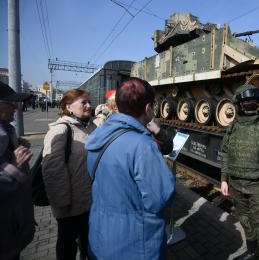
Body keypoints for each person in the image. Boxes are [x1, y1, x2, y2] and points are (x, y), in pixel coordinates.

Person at [85, 78, 175, 260]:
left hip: (101, 234)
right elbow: (160, 198)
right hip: (135, 242)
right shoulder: (143, 145)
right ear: (148, 107)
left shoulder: (99, 135)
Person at [221, 84, 259, 260]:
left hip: (258, 185)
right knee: (245, 221)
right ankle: (252, 254)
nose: (251, 103)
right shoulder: (232, 127)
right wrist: (224, 179)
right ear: (240, 103)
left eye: (254, 100)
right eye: (247, 100)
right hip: (236, 183)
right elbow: (225, 153)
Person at [42, 89, 96, 260]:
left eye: (89, 101)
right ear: (68, 107)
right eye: (83, 102)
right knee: (67, 246)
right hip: (70, 205)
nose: (89, 105)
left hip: (89, 201)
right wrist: (62, 203)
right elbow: (52, 170)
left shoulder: (91, 126)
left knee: (88, 243)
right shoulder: (61, 130)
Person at [0, 81, 34, 260]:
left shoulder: (8, 130)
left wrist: (16, 145)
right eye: (11, 103)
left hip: (12, 225)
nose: (17, 108)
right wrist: (14, 167)